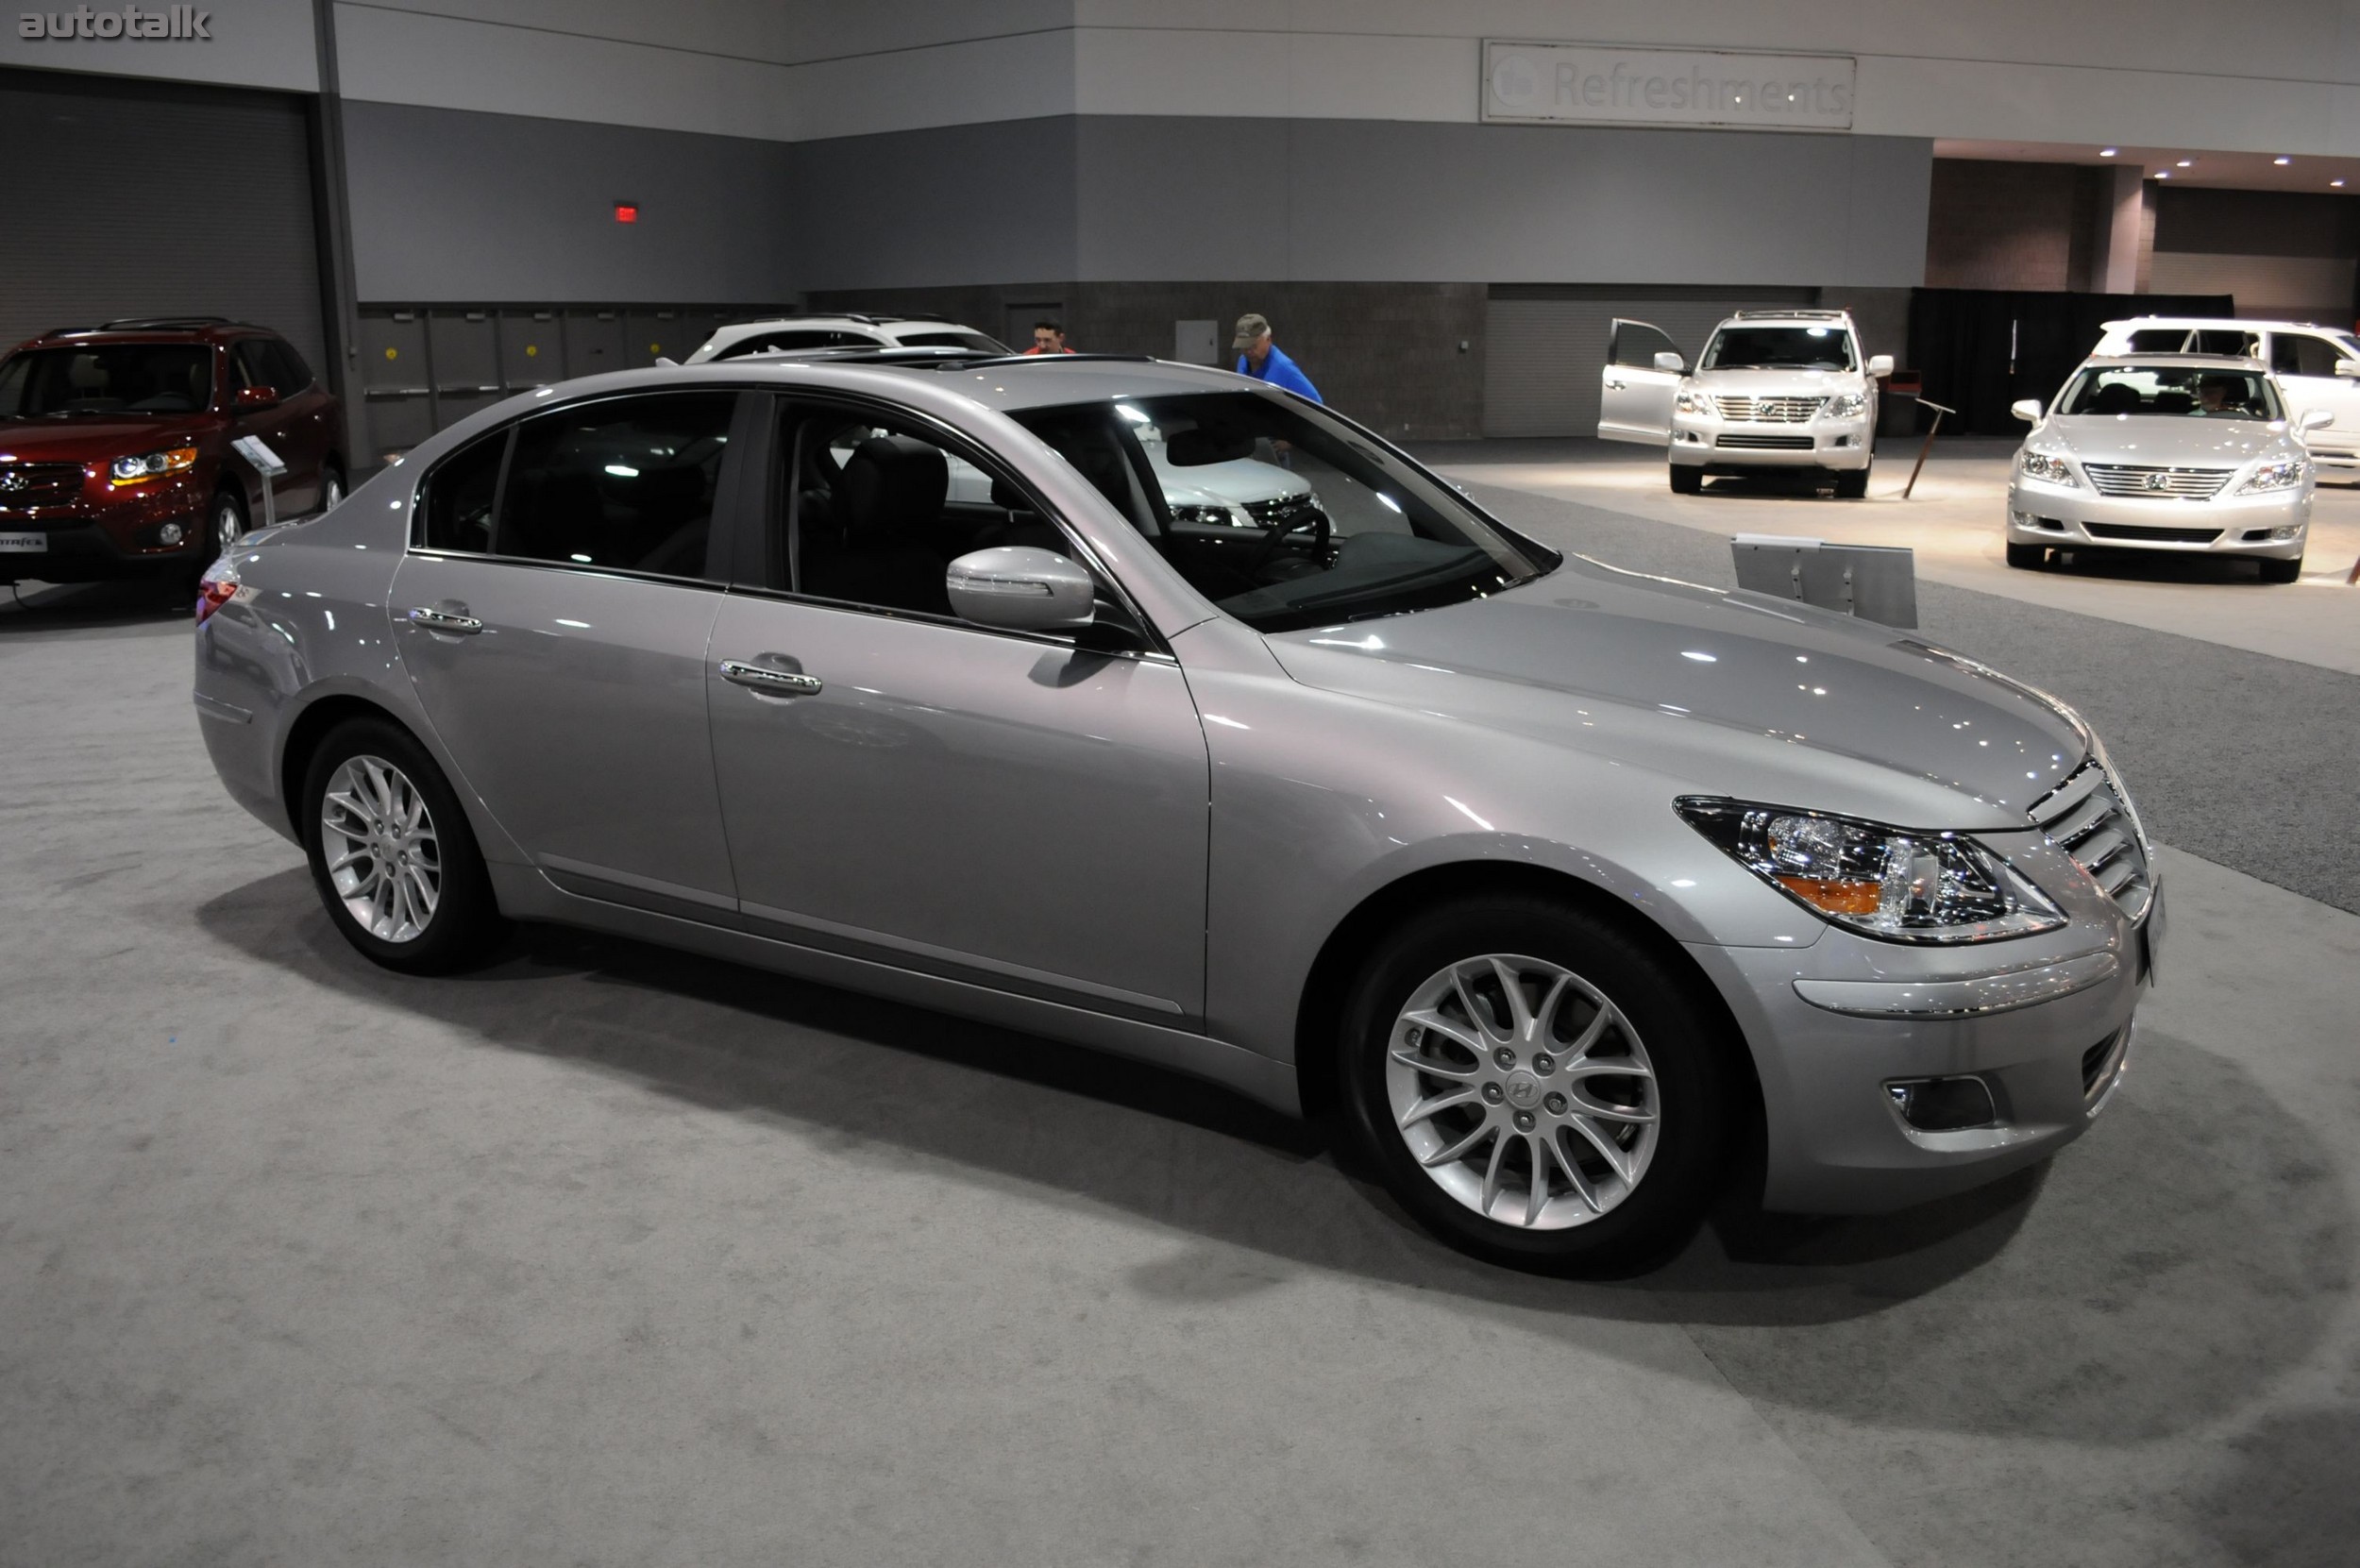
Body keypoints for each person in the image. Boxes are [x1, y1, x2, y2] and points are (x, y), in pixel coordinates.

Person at [1232, 312, 1321, 401]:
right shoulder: (1243, 361)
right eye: (1244, 346)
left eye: (1253, 346)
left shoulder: (1284, 368)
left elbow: (1315, 402)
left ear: (1268, 339)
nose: (1248, 351)